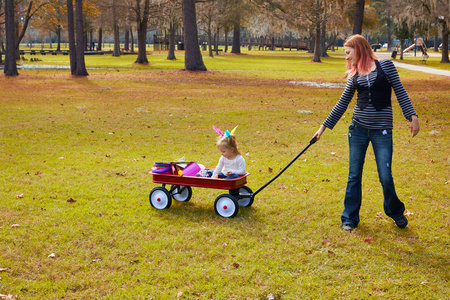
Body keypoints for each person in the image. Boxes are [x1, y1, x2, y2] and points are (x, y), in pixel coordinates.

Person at [313, 34, 420, 231]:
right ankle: (349, 219)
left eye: (348, 53)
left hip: (382, 132)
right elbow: (342, 103)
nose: (347, 58)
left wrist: (411, 115)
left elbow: (400, 91)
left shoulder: (386, 66)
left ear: (359, 49)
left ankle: (395, 211)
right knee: (354, 175)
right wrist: (323, 127)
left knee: (385, 176)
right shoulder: (354, 74)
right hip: (358, 130)